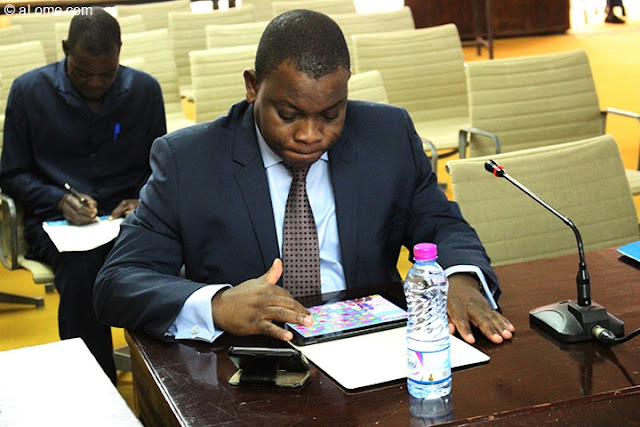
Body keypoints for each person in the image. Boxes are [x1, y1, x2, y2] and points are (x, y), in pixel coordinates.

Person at [94, 9, 514, 350]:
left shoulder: (387, 134)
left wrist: (458, 278)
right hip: (250, 362)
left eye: (331, 114)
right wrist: (218, 304)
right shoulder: (188, 160)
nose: (310, 134)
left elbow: (441, 224)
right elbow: (118, 281)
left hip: (371, 346)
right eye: (289, 114)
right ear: (252, 87)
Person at [0, 8, 167, 384]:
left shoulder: (144, 90)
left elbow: (159, 167)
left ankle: (166, 382)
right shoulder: (29, 91)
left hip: (128, 218)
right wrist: (57, 199)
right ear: (65, 50)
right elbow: (11, 173)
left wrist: (143, 198)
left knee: (170, 261)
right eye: (83, 73)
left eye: (107, 74)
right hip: (58, 223)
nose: (95, 83)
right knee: (81, 271)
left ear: (120, 52)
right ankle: (96, 387)